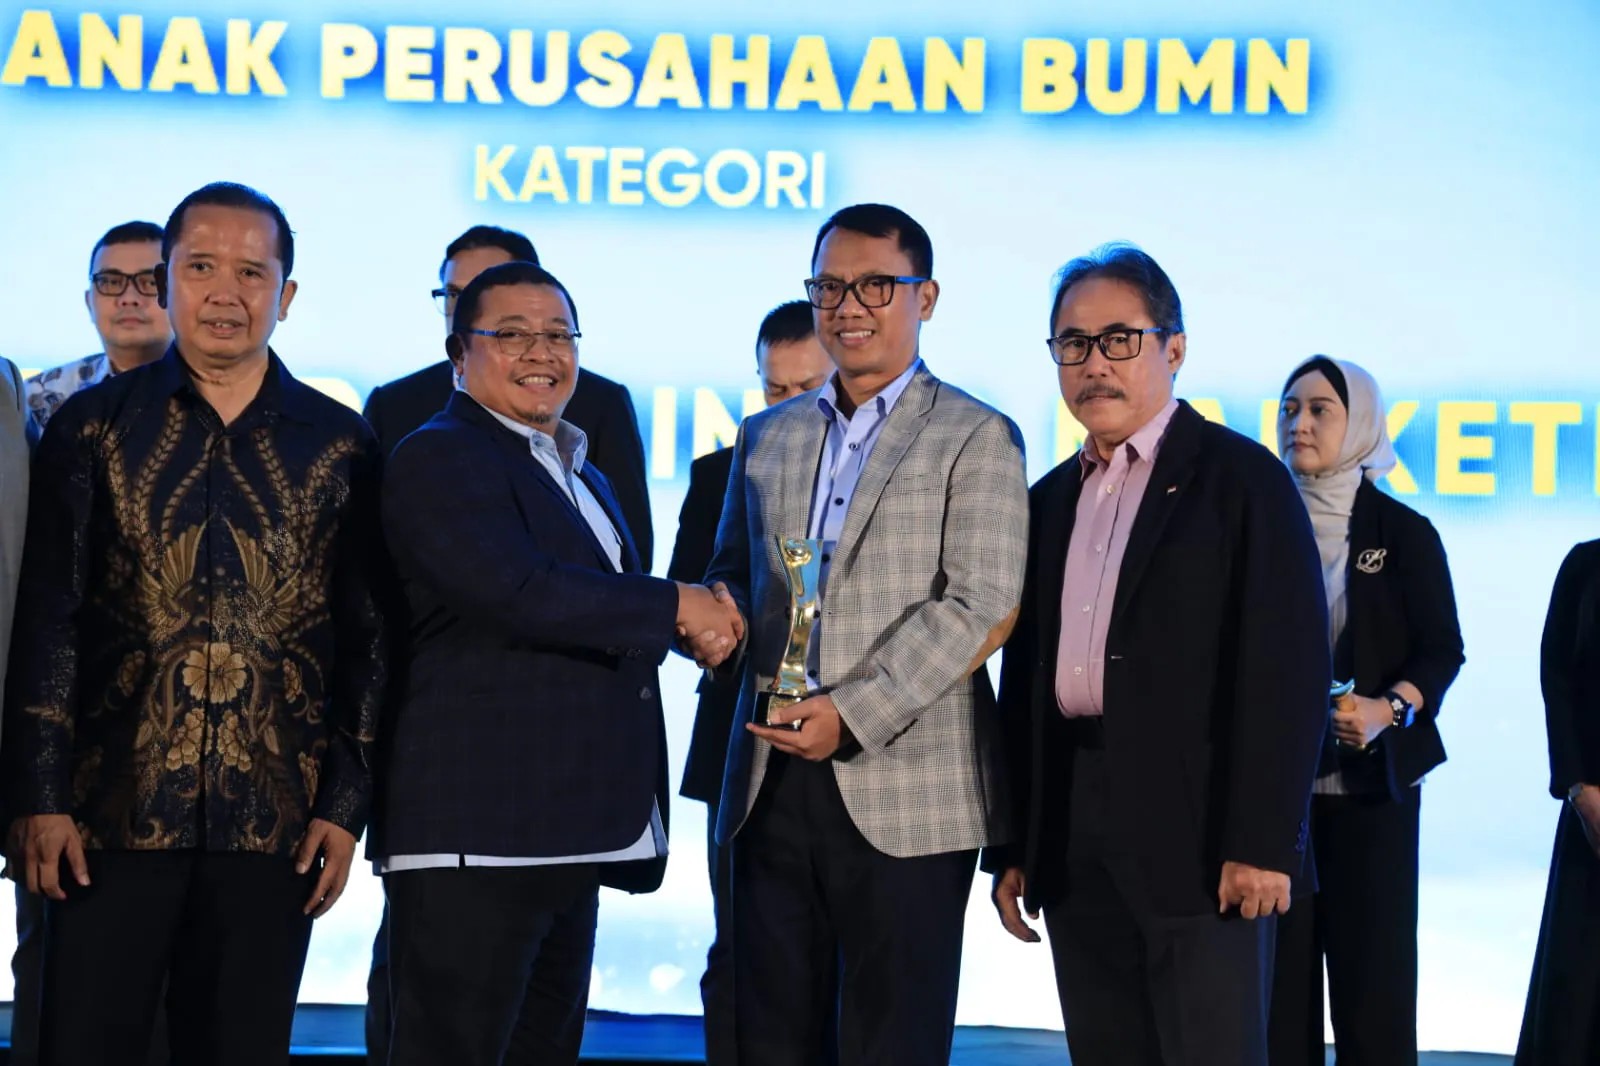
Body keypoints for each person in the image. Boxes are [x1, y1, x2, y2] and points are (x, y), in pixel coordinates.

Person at [2, 182, 386, 1066]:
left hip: (274, 826)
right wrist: (38, 797)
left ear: (286, 294)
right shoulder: (91, 429)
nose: (225, 292)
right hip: (104, 820)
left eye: (251, 272)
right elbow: (49, 621)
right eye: (201, 267)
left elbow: (366, 638)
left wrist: (345, 806)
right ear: (166, 281)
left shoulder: (341, 443)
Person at [375, 259, 741, 1066]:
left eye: (558, 334)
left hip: (568, 831)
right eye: (511, 334)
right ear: (458, 354)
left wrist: (704, 627)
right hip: (480, 835)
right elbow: (520, 590)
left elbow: (595, 611)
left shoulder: (580, 469)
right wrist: (677, 606)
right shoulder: (439, 454)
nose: (541, 352)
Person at [705, 203, 1029, 1066]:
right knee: (769, 1036)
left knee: (892, 1041)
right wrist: (714, 616)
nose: (848, 306)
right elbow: (735, 571)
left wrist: (851, 713)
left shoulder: (977, 434)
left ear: (926, 297)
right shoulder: (765, 435)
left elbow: (983, 603)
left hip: (908, 786)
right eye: (830, 287)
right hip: (769, 777)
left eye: (875, 285)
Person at [990, 243, 1329, 1066]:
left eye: (1119, 339)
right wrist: (1015, 844)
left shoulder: (1243, 480)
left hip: (1204, 841)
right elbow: (1024, 681)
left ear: (1173, 348)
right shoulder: (1047, 499)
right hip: (1074, 833)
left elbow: (1288, 673)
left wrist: (1263, 842)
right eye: (1073, 343)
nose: (1094, 364)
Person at [1268, 356, 1464, 1066]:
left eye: (1321, 409)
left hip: (1372, 796)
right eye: (1290, 408)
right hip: (1274, 801)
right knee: (1276, 1004)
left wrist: (1391, 710)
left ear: (1361, 425)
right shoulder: (1256, 522)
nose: (1300, 423)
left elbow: (1442, 650)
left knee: (1374, 999)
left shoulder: (1404, 531)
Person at [665, 298, 832, 1065]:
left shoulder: (890, 474)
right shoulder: (720, 472)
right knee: (743, 952)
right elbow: (684, 600)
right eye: (775, 389)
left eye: (808, 388)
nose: (788, 405)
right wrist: (716, 632)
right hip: (742, 744)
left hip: (861, 748)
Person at [361, 225, 652, 566]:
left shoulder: (595, 414)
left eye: (558, 335)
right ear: (458, 352)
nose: (466, 306)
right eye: (454, 295)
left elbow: (629, 559)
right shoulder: (401, 415)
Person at [1514, 540, 1600, 1065]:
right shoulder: (1585, 565)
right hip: (1593, 815)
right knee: (1575, 997)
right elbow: (1558, 679)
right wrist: (1580, 790)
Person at [24, 220, 174, 444]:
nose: (129, 298)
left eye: (150, 282)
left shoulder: (219, 393)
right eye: (111, 282)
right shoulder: (38, 399)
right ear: (89, 303)